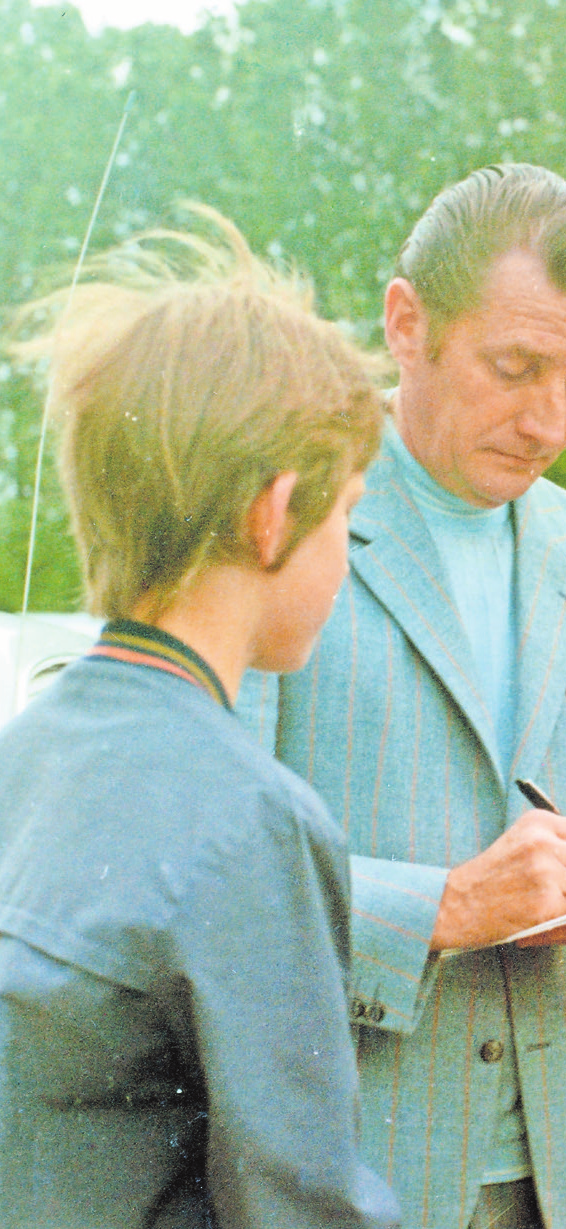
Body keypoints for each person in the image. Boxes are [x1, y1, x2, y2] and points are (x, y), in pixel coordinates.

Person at [241, 164, 566, 1229]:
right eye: (516, 365)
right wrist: (442, 909)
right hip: (341, 1162)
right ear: (407, 324)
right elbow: (218, 873)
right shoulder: (273, 526)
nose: (549, 419)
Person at [0, 208, 398, 1227]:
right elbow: (300, 1200)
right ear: (274, 513)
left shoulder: (23, 755)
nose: (345, 550)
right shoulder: (254, 819)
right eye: (347, 509)